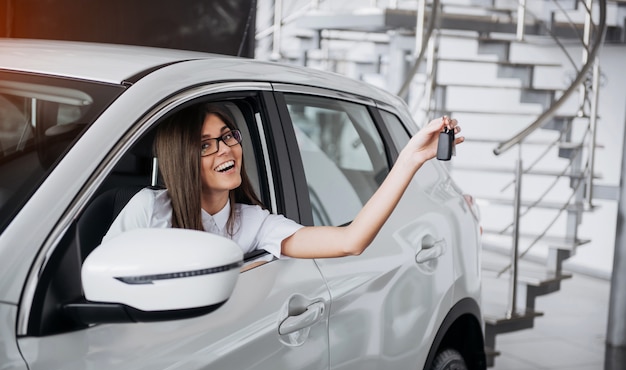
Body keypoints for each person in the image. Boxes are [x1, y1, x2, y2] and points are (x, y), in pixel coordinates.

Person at [103, 103, 463, 264]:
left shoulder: (252, 222)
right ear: (181, 160)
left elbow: (350, 242)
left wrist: (411, 158)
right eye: (205, 145)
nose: (226, 149)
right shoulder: (149, 211)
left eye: (229, 136)